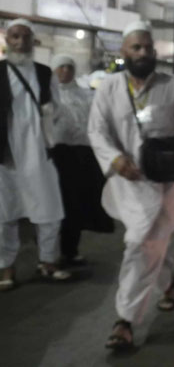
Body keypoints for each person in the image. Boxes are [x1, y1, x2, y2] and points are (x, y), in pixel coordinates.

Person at [88, 21, 174, 350]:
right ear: (123, 52)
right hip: (129, 183)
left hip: (166, 182)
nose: (143, 53)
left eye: (148, 48)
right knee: (152, 242)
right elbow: (96, 131)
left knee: (143, 243)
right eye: (136, 48)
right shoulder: (109, 87)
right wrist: (114, 159)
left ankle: (124, 321)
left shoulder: (173, 86)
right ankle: (168, 285)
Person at [0, 19, 70, 290]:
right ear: (7, 40)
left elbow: (57, 107)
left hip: (39, 151)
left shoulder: (43, 72)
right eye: (15, 37)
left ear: (33, 41)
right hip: (6, 155)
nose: (20, 42)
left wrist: (50, 121)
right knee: (5, 214)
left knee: (50, 209)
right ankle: (5, 267)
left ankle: (48, 262)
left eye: (25, 37)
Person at [51, 54, 114, 266]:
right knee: (55, 204)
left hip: (81, 154)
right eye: (61, 67)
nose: (65, 72)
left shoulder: (86, 95)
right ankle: (50, 252)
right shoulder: (48, 96)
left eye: (69, 67)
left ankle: (70, 250)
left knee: (75, 204)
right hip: (56, 155)